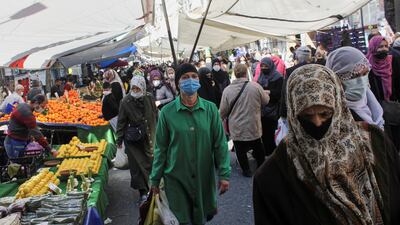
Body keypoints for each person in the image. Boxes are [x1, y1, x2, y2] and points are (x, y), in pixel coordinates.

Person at [253, 64, 400, 225]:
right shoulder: (274, 174)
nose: (317, 123)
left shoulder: (375, 142)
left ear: (338, 107)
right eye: (307, 116)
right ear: (294, 114)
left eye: (325, 114)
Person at [150, 63, 231, 225]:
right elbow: (161, 149)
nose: (190, 80)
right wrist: (155, 180)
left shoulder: (210, 109)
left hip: (203, 178)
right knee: (181, 219)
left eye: (194, 77)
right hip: (175, 178)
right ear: (178, 83)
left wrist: (224, 173)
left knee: (200, 218)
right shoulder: (167, 112)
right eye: (185, 77)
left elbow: (220, 144)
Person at [220, 64, 269, 177]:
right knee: (257, 146)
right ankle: (261, 167)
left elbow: (222, 112)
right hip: (253, 125)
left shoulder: (227, 90)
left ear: (235, 74)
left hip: (237, 127)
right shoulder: (255, 87)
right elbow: (265, 101)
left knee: (240, 149)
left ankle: (246, 170)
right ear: (246, 73)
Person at [116, 75, 157, 204]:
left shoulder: (149, 97)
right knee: (138, 167)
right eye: (133, 88)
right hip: (134, 140)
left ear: (143, 87)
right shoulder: (125, 102)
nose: (135, 90)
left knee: (151, 163)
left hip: (150, 135)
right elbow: (121, 122)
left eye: (138, 88)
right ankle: (143, 193)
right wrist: (119, 140)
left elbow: (155, 114)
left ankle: (153, 189)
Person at [326, 46, 385, 129]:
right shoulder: (329, 115)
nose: (361, 81)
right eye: (353, 76)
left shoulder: (371, 101)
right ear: (335, 78)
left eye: (364, 74)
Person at [255, 57, 283, 156]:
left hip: (273, 110)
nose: (263, 68)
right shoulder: (260, 76)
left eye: (266, 66)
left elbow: (280, 93)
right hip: (262, 110)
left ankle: (273, 155)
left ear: (270, 65)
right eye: (262, 65)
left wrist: (269, 92)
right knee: (264, 134)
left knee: (271, 134)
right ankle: (267, 153)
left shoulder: (278, 77)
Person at [280, 46, 313, 119]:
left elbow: (285, 92)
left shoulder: (291, 71)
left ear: (297, 57)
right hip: (315, 109)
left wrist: (283, 113)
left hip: (296, 111)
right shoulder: (318, 68)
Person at [367, 35, 392, 102]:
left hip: (394, 102)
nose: (384, 49)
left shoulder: (392, 61)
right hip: (377, 102)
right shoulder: (367, 65)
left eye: (386, 46)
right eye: (380, 46)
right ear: (373, 47)